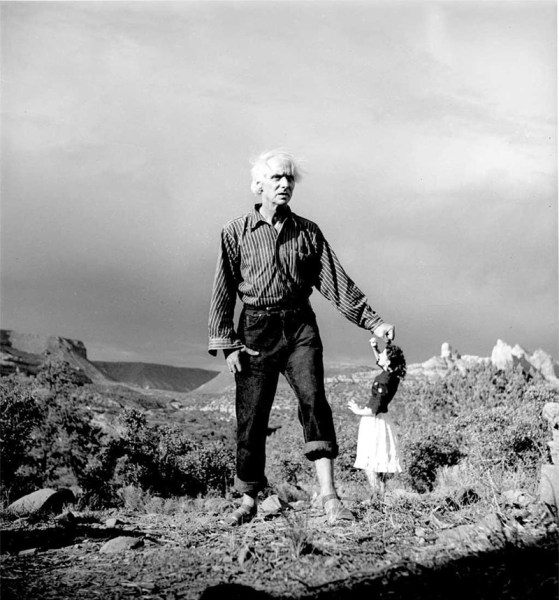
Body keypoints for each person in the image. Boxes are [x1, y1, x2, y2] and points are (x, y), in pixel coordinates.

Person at [208, 149, 395, 525]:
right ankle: (247, 499)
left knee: (314, 401)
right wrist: (226, 342)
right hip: (255, 331)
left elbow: (334, 281)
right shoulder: (235, 232)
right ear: (257, 184)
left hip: (300, 328)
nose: (284, 185)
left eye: (289, 179)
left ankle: (329, 496)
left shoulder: (308, 232)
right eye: (277, 178)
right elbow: (223, 290)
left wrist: (373, 321)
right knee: (252, 415)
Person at [347, 338, 407, 500]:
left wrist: (357, 410)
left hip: (374, 422)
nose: (379, 356)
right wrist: (375, 347)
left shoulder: (384, 380)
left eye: (383, 354)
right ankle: (381, 492)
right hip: (383, 420)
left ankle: (376, 495)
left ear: (388, 360)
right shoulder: (392, 375)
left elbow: (375, 408)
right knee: (380, 457)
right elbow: (381, 361)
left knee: (370, 459)